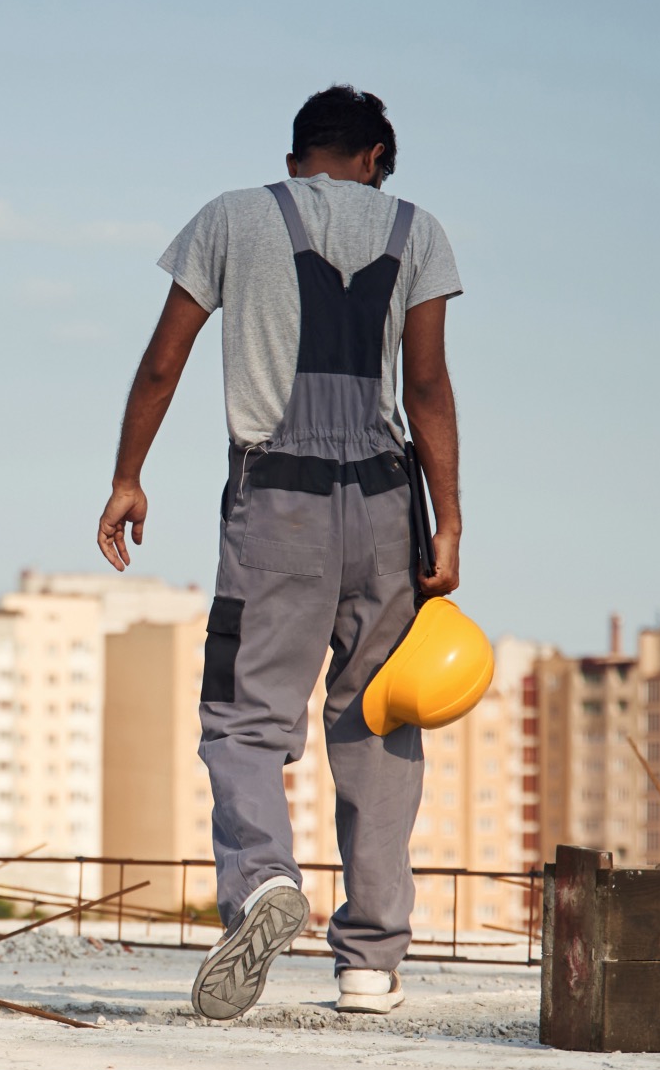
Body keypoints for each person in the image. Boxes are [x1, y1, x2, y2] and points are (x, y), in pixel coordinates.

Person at [96, 85, 462, 1020]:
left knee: (246, 716)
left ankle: (263, 877)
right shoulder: (418, 231)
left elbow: (163, 358)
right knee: (377, 720)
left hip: (278, 502)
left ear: (297, 154)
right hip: (388, 504)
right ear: (377, 155)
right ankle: (372, 961)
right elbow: (425, 384)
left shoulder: (231, 218)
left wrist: (128, 475)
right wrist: (449, 519)